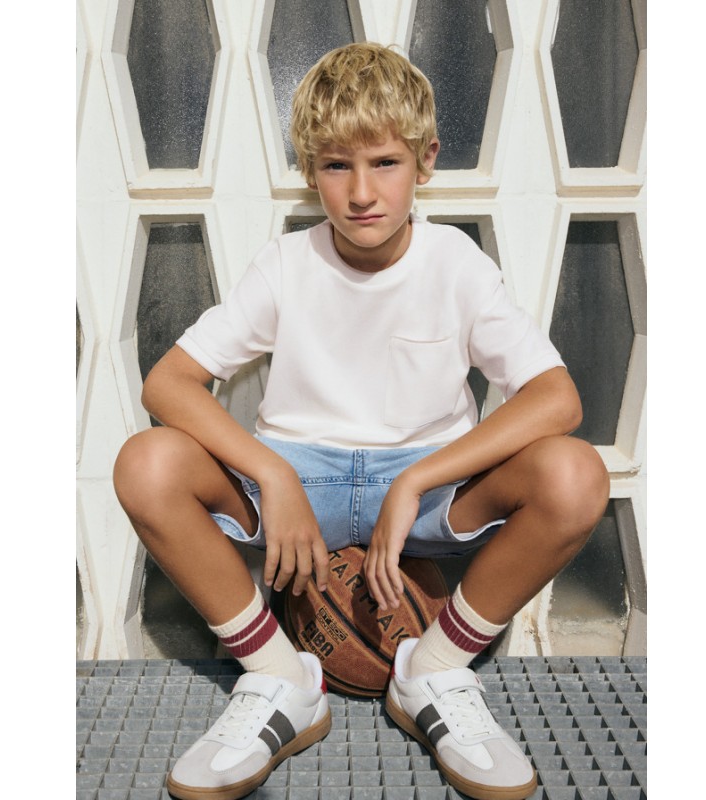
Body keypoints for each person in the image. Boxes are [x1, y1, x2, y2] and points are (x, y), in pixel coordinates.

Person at [113, 42, 609, 800]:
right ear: (311, 172)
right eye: (337, 166)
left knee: (576, 475)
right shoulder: (287, 263)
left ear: (426, 160)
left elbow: (557, 398)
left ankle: (432, 672)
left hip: (430, 492)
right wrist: (274, 474)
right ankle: (281, 679)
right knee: (146, 462)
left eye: (384, 162)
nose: (362, 192)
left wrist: (415, 479)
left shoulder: (455, 263)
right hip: (300, 480)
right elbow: (168, 381)